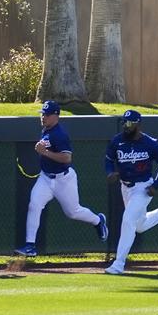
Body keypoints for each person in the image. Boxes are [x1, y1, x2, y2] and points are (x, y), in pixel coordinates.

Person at [18, 101, 108, 257]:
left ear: (55, 116)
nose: (43, 117)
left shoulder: (60, 134)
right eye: (42, 113)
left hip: (63, 180)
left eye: (46, 114)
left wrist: (45, 152)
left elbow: (67, 158)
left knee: (73, 212)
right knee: (34, 205)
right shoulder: (46, 129)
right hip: (45, 178)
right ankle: (30, 245)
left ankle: (98, 221)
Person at [103, 109, 158, 275]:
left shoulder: (150, 143)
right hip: (125, 187)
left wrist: (156, 184)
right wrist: (110, 173)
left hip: (143, 188)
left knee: (127, 220)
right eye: (124, 122)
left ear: (138, 124)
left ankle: (119, 263)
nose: (126, 126)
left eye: (130, 123)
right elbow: (108, 160)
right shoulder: (117, 141)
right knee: (139, 226)